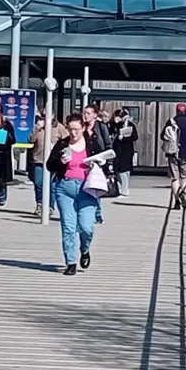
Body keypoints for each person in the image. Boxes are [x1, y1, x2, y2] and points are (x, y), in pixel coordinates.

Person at [49, 113, 112, 275]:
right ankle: (70, 262)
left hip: (87, 189)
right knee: (68, 227)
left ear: (83, 128)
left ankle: (85, 249)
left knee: (86, 227)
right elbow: (50, 165)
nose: (73, 133)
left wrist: (100, 164)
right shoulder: (62, 144)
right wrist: (59, 162)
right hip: (65, 188)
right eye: (70, 130)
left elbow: (104, 161)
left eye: (76, 129)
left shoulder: (91, 144)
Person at [111, 109, 137, 196]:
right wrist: (114, 122)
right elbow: (111, 131)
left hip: (127, 149)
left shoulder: (131, 125)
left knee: (126, 170)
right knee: (118, 169)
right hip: (118, 149)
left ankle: (124, 190)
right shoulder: (117, 125)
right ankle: (120, 189)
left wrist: (124, 138)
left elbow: (135, 137)